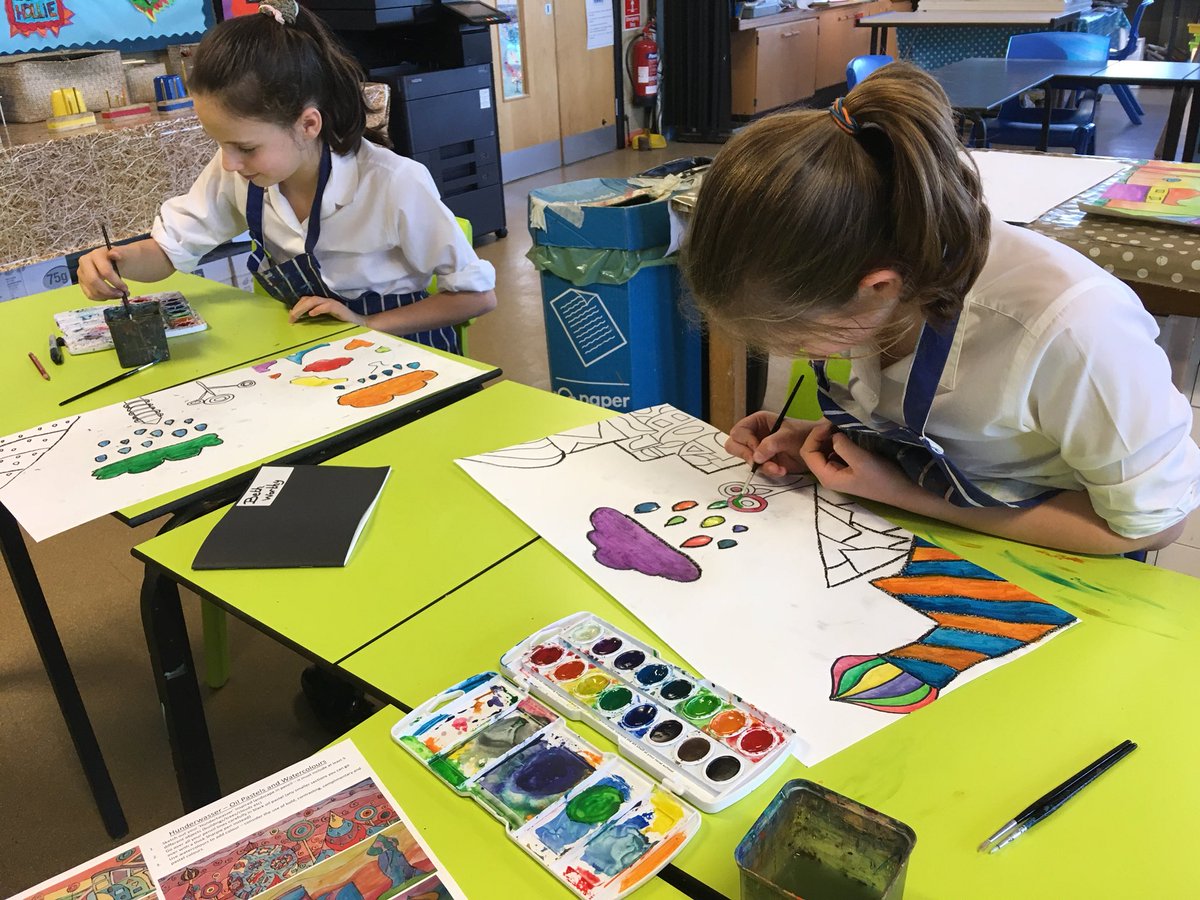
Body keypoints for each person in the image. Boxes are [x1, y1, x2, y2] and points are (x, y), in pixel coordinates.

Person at [681, 61, 1199, 557]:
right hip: (924, 509)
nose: (793, 353)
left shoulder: (1074, 328)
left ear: (880, 286)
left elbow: (1149, 527)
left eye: (798, 340)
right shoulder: (872, 261)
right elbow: (927, 412)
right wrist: (828, 442)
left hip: (1069, 547)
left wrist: (905, 495)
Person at [77, 0, 495, 355]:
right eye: (220, 144)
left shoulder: (394, 182)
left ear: (308, 124)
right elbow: (169, 251)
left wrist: (364, 324)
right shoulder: (242, 174)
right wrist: (117, 262)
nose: (228, 163)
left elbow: (476, 297)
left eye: (245, 147)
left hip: (407, 350)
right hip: (320, 351)